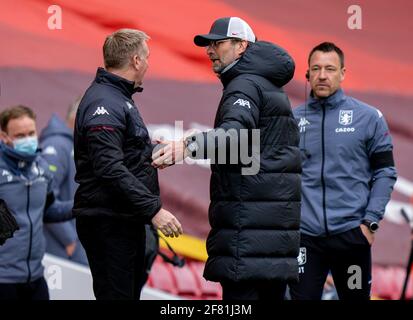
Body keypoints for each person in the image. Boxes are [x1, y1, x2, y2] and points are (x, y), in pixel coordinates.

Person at [152, 17, 301, 300]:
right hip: (273, 245)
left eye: (217, 43)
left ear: (241, 46)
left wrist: (186, 146)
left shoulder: (244, 85)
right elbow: (250, 152)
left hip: (248, 242)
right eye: (208, 44)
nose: (209, 50)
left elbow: (233, 137)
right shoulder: (268, 86)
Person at [73, 28, 183, 300]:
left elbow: (121, 154)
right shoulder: (105, 102)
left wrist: (150, 150)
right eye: (146, 57)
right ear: (135, 60)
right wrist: (154, 210)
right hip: (108, 222)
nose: (148, 63)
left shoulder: (118, 97)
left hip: (122, 219)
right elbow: (109, 168)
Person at [290, 42, 397, 300]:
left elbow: (385, 172)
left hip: (351, 236)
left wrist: (370, 222)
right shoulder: (293, 119)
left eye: (329, 68)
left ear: (343, 73)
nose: (322, 75)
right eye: (315, 68)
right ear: (307, 74)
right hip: (306, 238)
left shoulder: (368, 117)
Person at [0, 105, 73, 300]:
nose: (28, 139)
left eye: (31, 133)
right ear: (4, 136)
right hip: (3, 280)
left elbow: (49, 211)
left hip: (35, 276)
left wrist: (81, 204)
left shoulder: (41, 167)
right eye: (20, 135)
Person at [39, 98, 88, 265]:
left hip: (74, 246)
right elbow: (44, 195)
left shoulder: (76, 147)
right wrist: (69, 239)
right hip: (60, 248)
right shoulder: (58, 146)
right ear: (77, 118)